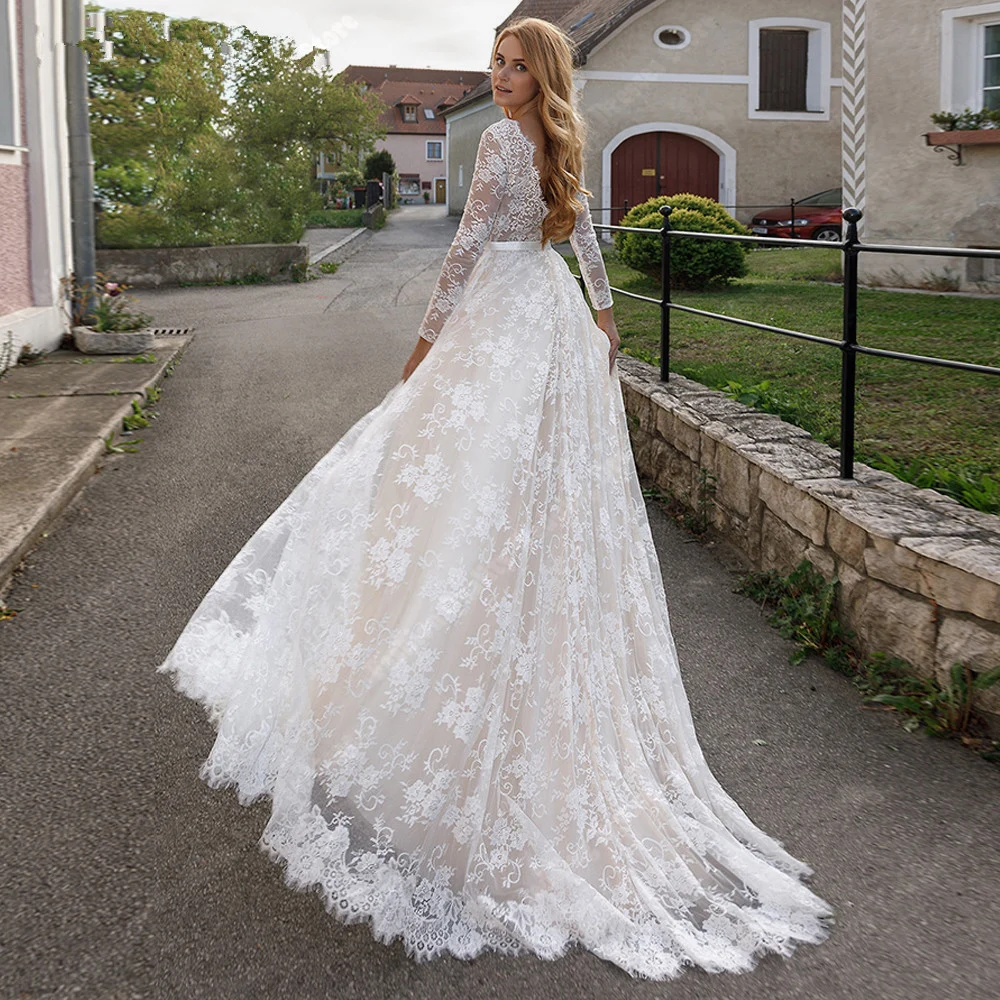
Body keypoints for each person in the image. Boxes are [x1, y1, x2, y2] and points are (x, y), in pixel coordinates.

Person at [159, 16, 833, 980]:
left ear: (543, 74)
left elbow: (470, 249)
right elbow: (579, 239)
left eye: (516, 66)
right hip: (549, 316)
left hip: (516, 322)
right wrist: (600, 319)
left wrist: (431, 351)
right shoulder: (559, 141)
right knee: (505, 488)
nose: (501, 76)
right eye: (497, 63)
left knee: (473, 482)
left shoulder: (506, 146)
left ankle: (466, 625)